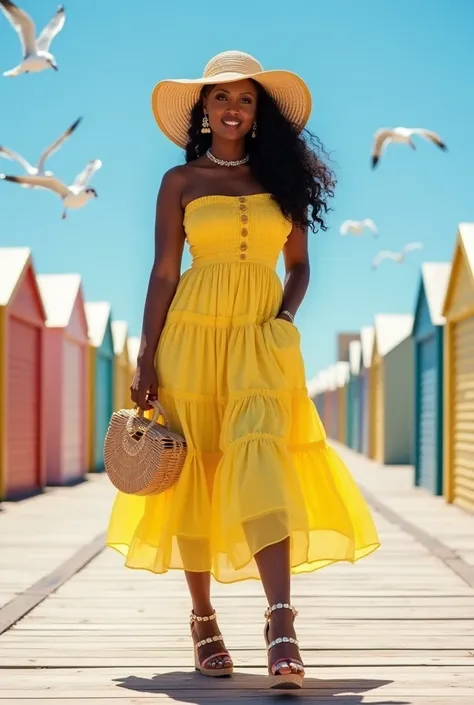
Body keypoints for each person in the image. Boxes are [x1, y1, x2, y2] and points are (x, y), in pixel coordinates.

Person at [107, 50, 380, 690]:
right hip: (190, 337)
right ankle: (203, 618)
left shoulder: (282, 179)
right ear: (203, 110)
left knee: (260, 463)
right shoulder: (179, 181)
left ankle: (281, 624)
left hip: (261, 342)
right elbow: (165, 272)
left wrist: (283, 320)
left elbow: (301, 265)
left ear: (258, 114)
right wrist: (148, 354)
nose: (232, 108)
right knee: (194, 471)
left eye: (246, 99)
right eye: (221, 97)